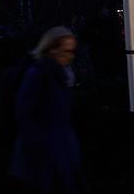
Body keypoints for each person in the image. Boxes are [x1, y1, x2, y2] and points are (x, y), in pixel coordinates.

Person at [7, 25, 83, 193]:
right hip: (43, 159)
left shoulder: (60, 77)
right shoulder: (39, 75)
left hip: (55, 156)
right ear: (52, 50)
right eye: (67, 51)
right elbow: (25, 114)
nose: (70, 56)